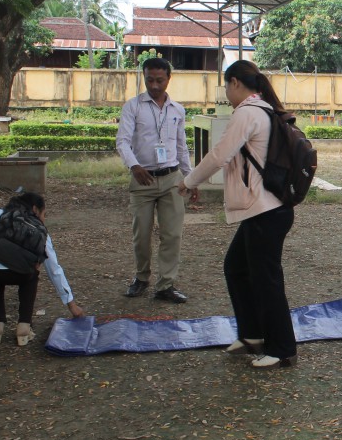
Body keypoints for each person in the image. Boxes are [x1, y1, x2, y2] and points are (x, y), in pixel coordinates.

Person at [178, 60, 297, 369]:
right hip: (265, 210)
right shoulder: (265, 109)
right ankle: (253, 335)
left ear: (234, 84)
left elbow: (220, 155)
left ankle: (282, 347)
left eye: (226, 87)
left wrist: (189, 181)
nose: (226, 93)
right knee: (236, 267)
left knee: (266, 280)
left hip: (265, 211)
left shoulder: (247, 113)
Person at [0, 192, 85, 345]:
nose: (44, 218)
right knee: (33, 271)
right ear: (35, 209)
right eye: (44, 213)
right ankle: (24, 327)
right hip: (18, 274)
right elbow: (54, 268)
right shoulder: (37, 228)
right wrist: (72, 305)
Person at [116, 57, 197, 303]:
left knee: (172, 234)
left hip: (172, 178)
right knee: (141, 234)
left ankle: (165, 285)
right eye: (149, 79)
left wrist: (190, 178)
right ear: (144, 77)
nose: (154, 85)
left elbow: (181, 147)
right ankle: (141, 278)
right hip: (143, 179)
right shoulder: (133, 107)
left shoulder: (177, 110)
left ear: (168, 79)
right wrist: (135, 165)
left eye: (159, 80)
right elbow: (122, 141)